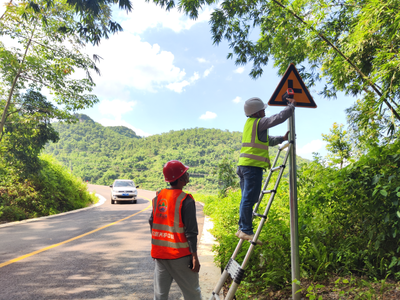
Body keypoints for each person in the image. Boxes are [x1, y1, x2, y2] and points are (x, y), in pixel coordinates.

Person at [236, 97, 296, 244]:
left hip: (244, 166)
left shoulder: (250, 124)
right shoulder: (260, 122)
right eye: (262, 109)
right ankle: (246, 230)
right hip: (252, 167)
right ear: (256, 112)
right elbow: (277, 118)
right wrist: (291, 106)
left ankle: (242, 228)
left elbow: (266, 140)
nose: (264, 111)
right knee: (249, 199)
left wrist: (281, 138)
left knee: (247, 198)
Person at [149, 160, 202, 300]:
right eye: (184, 173)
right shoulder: (186, 200)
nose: (187, 175)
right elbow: (191, 232)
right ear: (180, 178)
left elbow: (151, 222)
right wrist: (195, 257)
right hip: (181, 256)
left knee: (160, 295)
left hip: (160, 255)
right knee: (193, 294)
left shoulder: (158, 197)